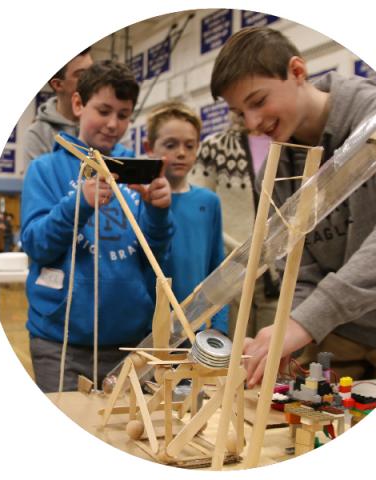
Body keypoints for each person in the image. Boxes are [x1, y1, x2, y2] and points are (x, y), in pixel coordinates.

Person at [210, 26, 376, 386]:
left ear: (297, 72)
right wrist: (284, 331)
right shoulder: (274, 172)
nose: (252, 124)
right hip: (334, 337)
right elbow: (300, 269)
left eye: (258, 101)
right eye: (240, 113)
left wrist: (303, 322)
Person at [21, 60, 174, 393]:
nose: (112, 124)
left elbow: (155, 256)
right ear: (78, 104)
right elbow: (36, 245)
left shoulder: (136, 170)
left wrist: (159, 211)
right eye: (103, 110)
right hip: (59, 343)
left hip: (132, 343)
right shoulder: (44, 170)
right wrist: (79, 204)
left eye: (123, 114)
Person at [190, 114, 279, 339]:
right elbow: (200, 209)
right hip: (233, 268)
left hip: (279, 271)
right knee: (232, 353)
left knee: (276, 356)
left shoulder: (289, 144)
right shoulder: (215, 147)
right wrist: (242, 250)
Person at [144, 101, 228, 335]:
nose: (181, 153)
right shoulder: (141, 200)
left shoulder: (209, 202)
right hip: (148, 331)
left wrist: (220, 327)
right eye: (170, 145)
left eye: (189, 146)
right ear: (149, 147)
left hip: (197, 330)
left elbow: (218, 269)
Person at [21, 47, 93, 171]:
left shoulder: (106, 123)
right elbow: (40, 187)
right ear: (58, 84)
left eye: (93, 72)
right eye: (81, 75)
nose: (93, 81)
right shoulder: (38, 135)